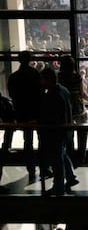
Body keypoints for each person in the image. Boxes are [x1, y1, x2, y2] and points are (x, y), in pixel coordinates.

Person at [37, 68, 79, 196]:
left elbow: (50, 115)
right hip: (66, 129)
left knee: (57, 158)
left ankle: (59, 185)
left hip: (56, 131)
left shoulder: (51, 95)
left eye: (42, 79)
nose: (41, 81)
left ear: (47, 79)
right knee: (62, 154)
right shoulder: (63, 90)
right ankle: (71, 177)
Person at [7, 50, 42, 181]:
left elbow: (12, 94)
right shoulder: (35, 75)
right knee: (41, 139)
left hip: (22, 112)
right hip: (36, 112)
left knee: (28, 141)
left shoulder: (13, 77)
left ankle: (31, 169)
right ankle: (44, 168)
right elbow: (40, 93)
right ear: (30, 59)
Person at [58, 55, 88, 166]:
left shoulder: (59, 77)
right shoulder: (76, 77)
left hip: (65, 108)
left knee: (68, 134)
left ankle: (70, 156)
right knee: (82, 133)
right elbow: (82, 93)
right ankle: (81, 157)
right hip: (78, 108)